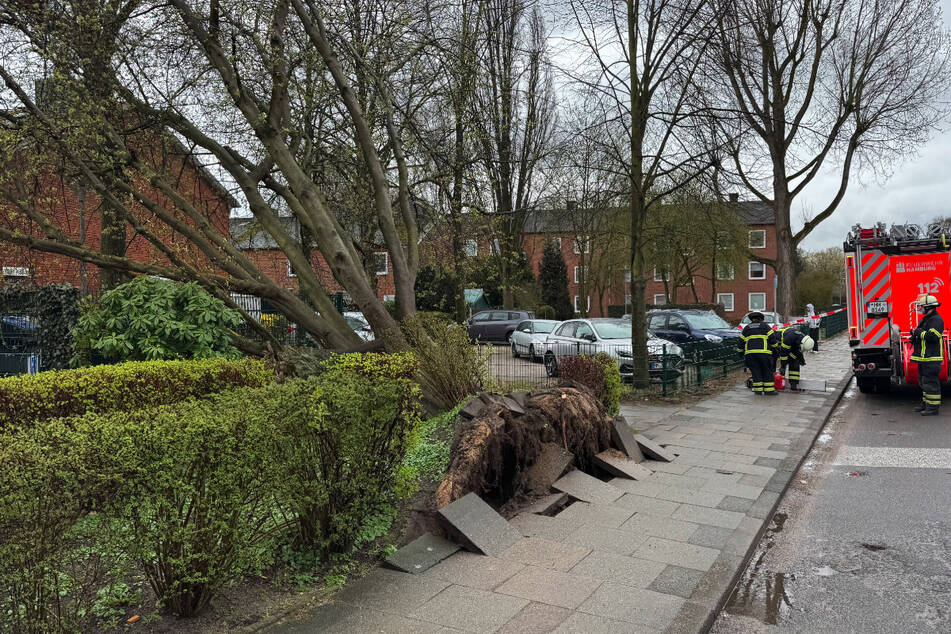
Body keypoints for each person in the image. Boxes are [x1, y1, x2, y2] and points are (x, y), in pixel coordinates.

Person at [911, 294, 944, 416]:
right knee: (924, 382)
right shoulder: (927, 319)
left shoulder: (936, 320)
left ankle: (933, 408)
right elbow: (922, 334)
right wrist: (914, 333)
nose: (919, 309)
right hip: (925, 358)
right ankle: (926, 404)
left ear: (928, 307)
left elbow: (933, 336)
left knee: (931, 384)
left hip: (931, 358)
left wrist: (919, 332)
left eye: (921, 306)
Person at [739, 312, 779, 395]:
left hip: (750, 355)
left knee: (755, 371)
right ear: (761, 319)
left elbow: (740, 342)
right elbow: (773, 339)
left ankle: (758, 390)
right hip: (764, 353)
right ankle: (769, 391)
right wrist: (775, 349)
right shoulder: (765, 327)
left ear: (751, 319)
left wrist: (740, 352)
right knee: (767, 371)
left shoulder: (746, 328)